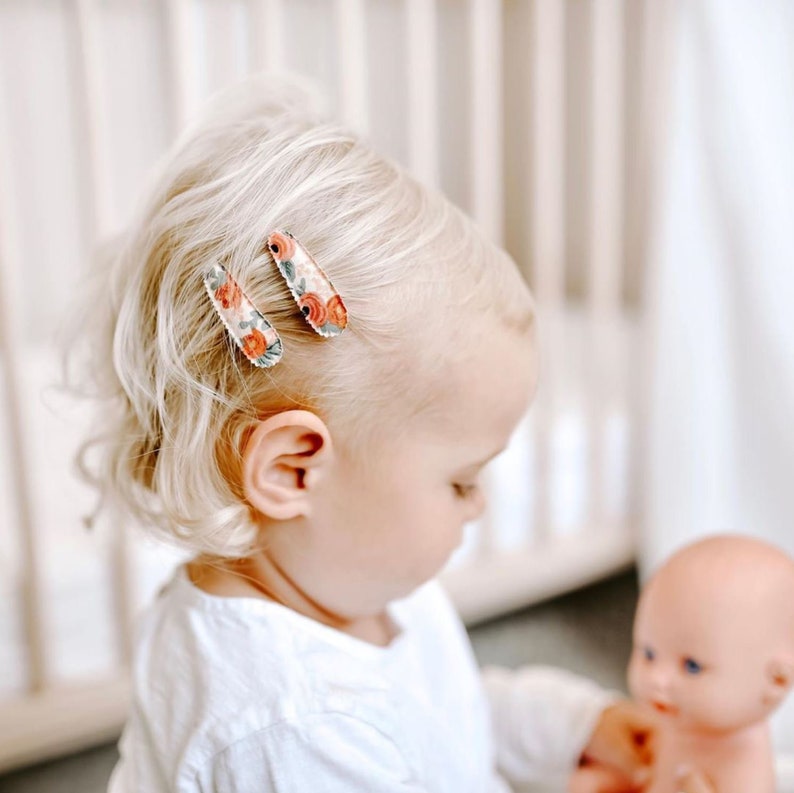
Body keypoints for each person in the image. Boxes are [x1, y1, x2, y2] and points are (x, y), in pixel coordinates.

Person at [69, 75, 660, 792]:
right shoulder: (291, 730)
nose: (478, 503)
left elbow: (440, 717)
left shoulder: (339, 576)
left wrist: (573, 729)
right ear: (293, 470)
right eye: (462, 478)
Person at [627, 535, 794, 792]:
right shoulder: (673, 720)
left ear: (776, 681)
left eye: (692, 666)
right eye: (649, 654)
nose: (656, 679)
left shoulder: (744, 766)